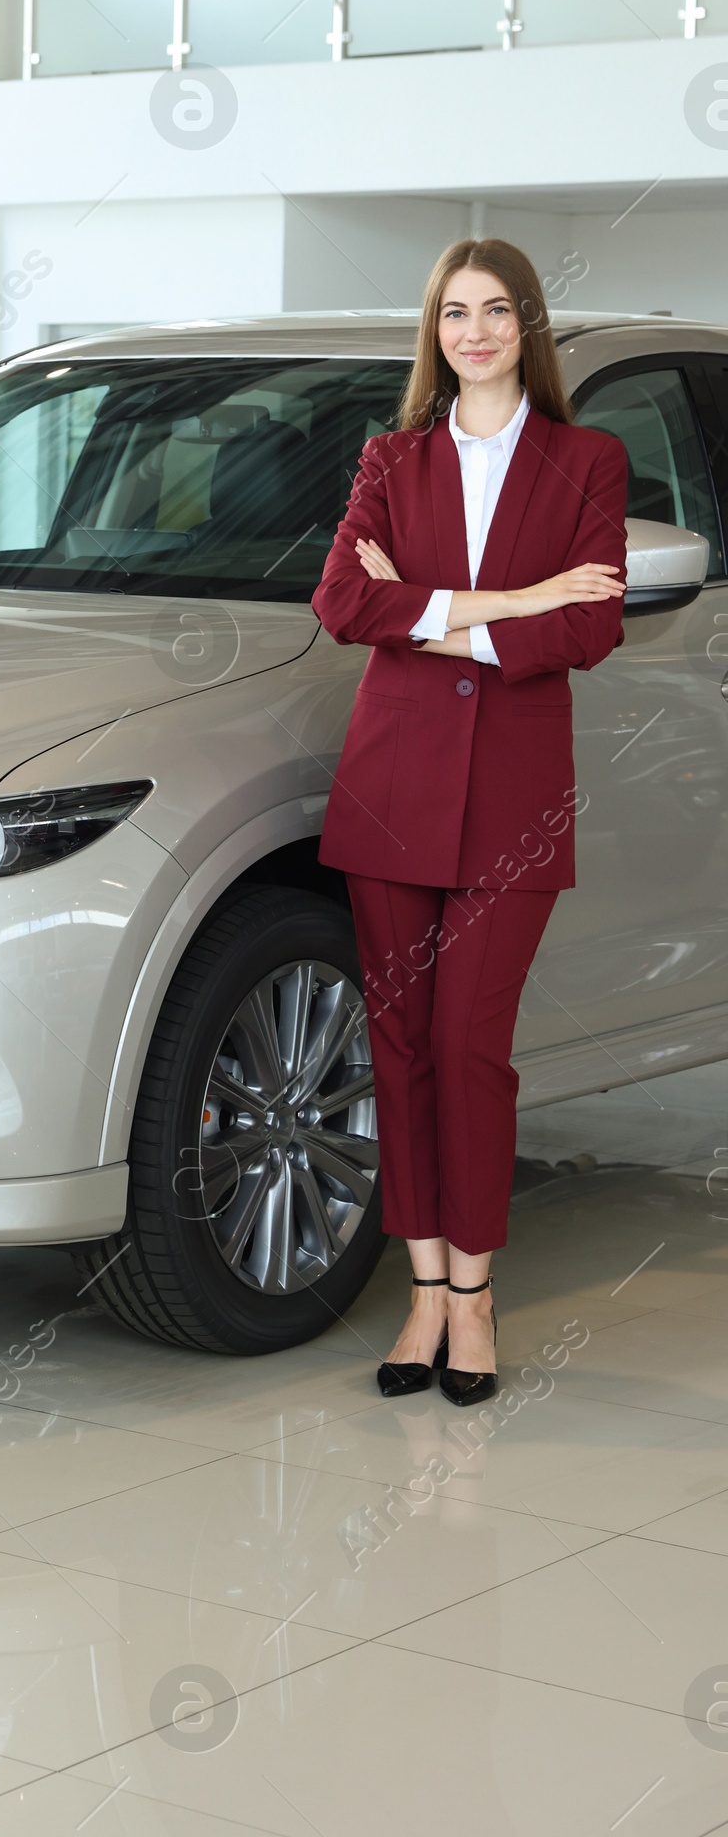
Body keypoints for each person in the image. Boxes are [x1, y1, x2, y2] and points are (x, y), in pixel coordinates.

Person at [311, 238, 627, 1404]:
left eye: (498, 311)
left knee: (468, 1045)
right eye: (455, 311)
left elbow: (589, 628)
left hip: (510, 803)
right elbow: (343, 599)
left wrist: (428, 613)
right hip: (389, 788)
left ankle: (478, 1293)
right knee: (395, 1045)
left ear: (527, 327)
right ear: (432, 329)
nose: (476, 331)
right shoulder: (389, 457)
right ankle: (424, 1288)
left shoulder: (586, 456)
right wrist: (515, 601)